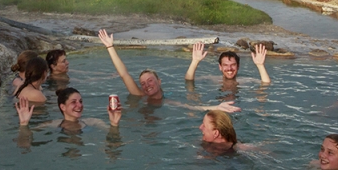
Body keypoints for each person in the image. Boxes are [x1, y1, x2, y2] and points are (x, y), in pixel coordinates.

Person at [98, 29, 240, 112]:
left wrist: (216, 107)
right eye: (143, 83)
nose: (147, 85)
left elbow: (191, 107)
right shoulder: (140, 95)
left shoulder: (168, 101)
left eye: (150, 81)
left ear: (159, 82)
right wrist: (110, 47)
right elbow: (124, 74)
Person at [16, 87, 121, 131]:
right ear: (63, 107)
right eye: (73, 102)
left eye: (80, 101)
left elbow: (114, 140)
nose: (79, 105)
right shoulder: (52, 124)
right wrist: (24, 124)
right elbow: (24, 142)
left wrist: (114, 124)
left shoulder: (93, 122)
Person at [184, 42, 271, 84]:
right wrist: (195, 62)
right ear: (220, 67)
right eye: (225, 65)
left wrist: (260, 65)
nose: (229, 69)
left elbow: (266, 84)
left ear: (238, 66)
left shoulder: (244, 81)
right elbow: (189, 80)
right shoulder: (213, 79)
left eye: (233, 65)